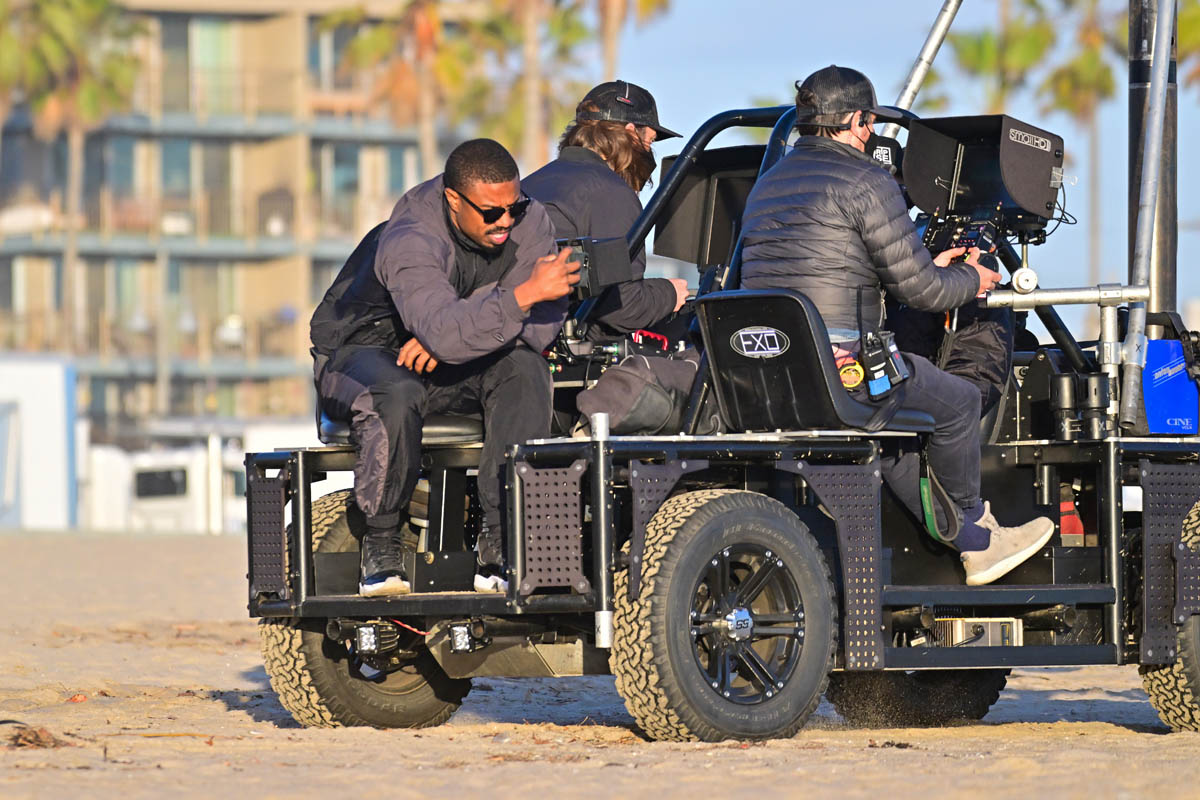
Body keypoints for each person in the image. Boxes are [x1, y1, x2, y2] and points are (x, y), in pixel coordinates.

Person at [739, 65, 1054, 586]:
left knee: (895, 441)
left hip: (769, 370)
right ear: (857, 121)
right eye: (870, 122)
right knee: (959, 401)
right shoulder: (867, 181)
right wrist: (971, 278)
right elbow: (923, 293)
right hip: (844, 375)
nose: (872, 133)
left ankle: (967, 539)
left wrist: (938, 267)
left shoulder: (767, 184)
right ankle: (978, 535)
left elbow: (834, 266)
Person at [310, 139, 579, 596]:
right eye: (491, 213)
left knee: (525, 369)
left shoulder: (531, 220)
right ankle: (380, 543)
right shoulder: (411, 236)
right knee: (396, 393)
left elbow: (543, 321)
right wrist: (497, 310)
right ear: (454, 200)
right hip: (363, 350)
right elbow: (458, 324)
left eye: (514, 206)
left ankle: (501, 540)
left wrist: (461, 334)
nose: (506, 221)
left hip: (450, 353)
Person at [523, 80, 690, 336]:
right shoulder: (611, 192)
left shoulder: (530, 183)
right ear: (632, 134)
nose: (649, 153)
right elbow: (623, 307)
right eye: (650, 142)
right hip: (559, 344)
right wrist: (670, 293)